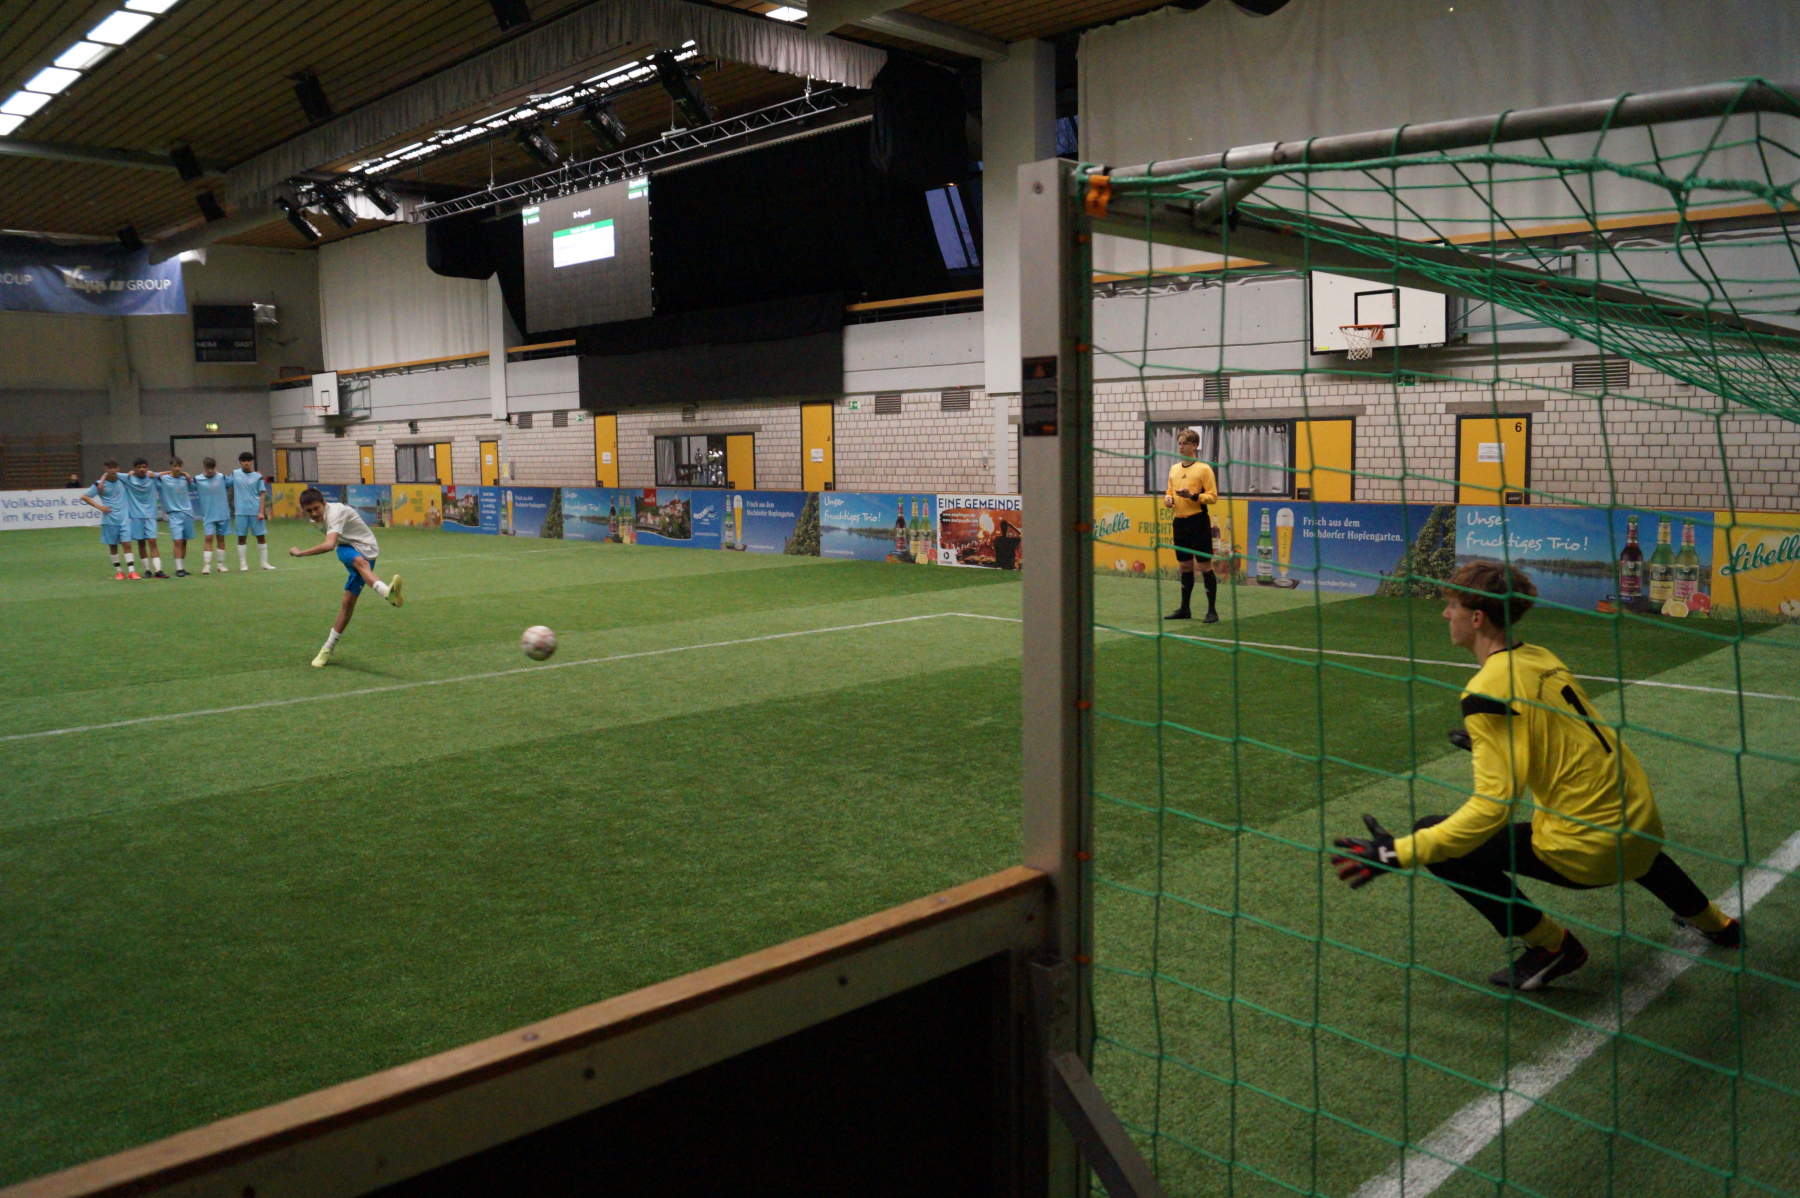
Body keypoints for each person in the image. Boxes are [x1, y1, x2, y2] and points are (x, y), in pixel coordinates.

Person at [1330, 561, 1740, 991]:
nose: (1445, 614)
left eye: (1452, 606)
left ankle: (1552, 946)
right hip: (1643, 829)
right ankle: (1718, 924)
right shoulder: (1542, 658)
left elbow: (1490, 810)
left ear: (1477, 618)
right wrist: (1492, 746)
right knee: (1612, 815)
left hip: (1589, 851)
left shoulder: (1486, 690)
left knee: (1433, 834)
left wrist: (1398, 853)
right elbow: (1561, 735)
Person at [290, 487, 404, 668]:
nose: (314, 514)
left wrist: (300, 553)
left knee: (348, 603)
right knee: (359, 562)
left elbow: (329, 544)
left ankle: (327, 648)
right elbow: (334, 544)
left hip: (367, 548)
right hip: (345, 548)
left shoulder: (335, 513)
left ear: (324, 504)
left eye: (316, 508)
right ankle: (386, 592)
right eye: (309, 511)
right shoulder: (315, 520)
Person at [1162, 429, 1220, 622]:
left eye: (1185, 443)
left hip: (1198, 521)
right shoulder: (1174, 469)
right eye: (1179, 443)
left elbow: (1212, 497)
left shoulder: (1204, 469)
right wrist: (1168, 499)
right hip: (1179, 522)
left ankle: (1212, 611)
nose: (1181, 447)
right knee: (1184, 565)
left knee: (1204, 565)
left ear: (1195, 445)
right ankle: (1184, 609)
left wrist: (1193, 496)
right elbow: (1169, 491)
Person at [78, 460, 133, 579]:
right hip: (109, 520)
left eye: (114, 467)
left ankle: (131, 571)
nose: (112, 470)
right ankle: (119, 572)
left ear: (118, 468)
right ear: (105, 469)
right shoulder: (99, 484)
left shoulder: (123, 479)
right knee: (113, 546)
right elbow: (84, 497)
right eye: (109, 468)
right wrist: (100, 507)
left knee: (127, 544)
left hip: (124, 519)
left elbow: (133, 473)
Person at [118, 458, 168, 579]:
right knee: (141, 543)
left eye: (144, 467)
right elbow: (112, 473)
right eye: (139, 467)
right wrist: (128, 473)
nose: (142, 469)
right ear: (134, 468)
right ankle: (147, 570)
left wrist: (185, 474)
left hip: (150, 516)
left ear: (147, 468)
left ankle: (158, 570)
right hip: (136, 516)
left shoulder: (151, 477)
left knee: (152, 542)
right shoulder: (128, 478)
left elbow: (168, 473)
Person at [228, 451, 274, 571]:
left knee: (261, 536)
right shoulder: (235, 474)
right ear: (240, 462)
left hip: (255, 511)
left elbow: (262, 494)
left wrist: (261, 512)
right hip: (240, 512)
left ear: (252, 462)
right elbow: (225, 482)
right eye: (244, 461)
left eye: (248, 461)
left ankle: (264, 563)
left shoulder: (258, 477)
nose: (246, 463)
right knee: (241, 537)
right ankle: (243, 564)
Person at [155, 458, 198, 577]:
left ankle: (182, 567)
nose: (177, 468)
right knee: (177, 541)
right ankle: (178, 569)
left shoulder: (185, 479)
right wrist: (168, 472)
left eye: (179, 466)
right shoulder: (164, 479)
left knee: (184, 541)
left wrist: (186, 475)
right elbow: (152, 475)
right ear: (170, 467)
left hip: (187, 513)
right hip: (174, 513)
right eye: (174, 466)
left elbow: (194, 486)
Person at [192, 457, 231, 575]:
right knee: (208, 538)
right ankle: (206, 565)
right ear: (203, 467)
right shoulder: (197, 479)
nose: (210, 470)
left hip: (223, 514)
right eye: (207, 468)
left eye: (212, 468)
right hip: (208, 515)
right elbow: (185, 484)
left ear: (215, 467)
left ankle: (221, 564)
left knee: (221, 538)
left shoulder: (221, 477)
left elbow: (234, 482)